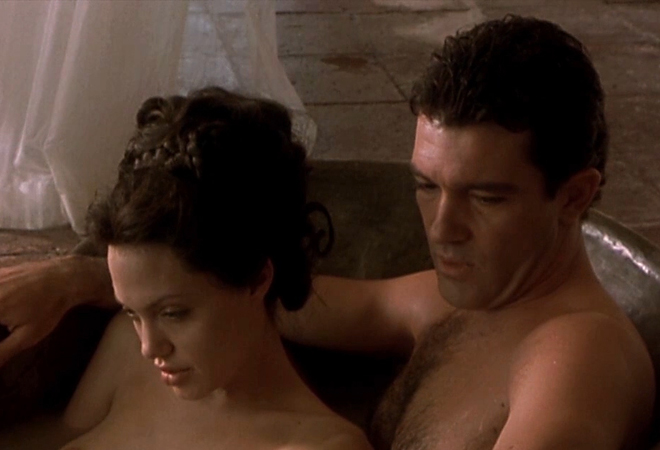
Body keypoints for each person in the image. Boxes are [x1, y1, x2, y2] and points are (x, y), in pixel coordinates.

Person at [0, 15, 655, 450]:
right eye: (427, 185)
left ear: (575, 196)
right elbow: (259, 295)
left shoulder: (579, 358)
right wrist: (80, 279)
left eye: (486, 198)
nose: (443, 227)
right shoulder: (456, 301)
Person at [0, 87, 372, 450]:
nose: (149, 347)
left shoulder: (320, 444)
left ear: (256, 279)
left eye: (173, 313)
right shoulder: (126, 350)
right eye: (132, 312)